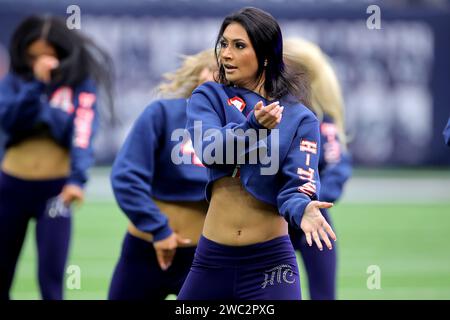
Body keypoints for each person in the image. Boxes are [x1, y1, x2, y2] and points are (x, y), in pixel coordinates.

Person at [177, 7, 336, 300]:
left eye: (239, 46)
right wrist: (253, 127)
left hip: (271, 265)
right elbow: (211, 151)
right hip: (212, 261)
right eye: (224, 44)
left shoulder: (301, 118)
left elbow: (296, 185)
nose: (226, 54)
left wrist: (303, 208)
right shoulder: (208, 96)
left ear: (265, 56)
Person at [0, 15, 113, 300]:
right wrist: (37, 87)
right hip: (10, 188)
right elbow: (8, 119)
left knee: (51, 281)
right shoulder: (16, 79)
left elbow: (82, 134)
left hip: (54, 193)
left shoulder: (79, 84)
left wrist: (77, 179)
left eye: (49, 55)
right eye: (34, 56)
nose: (43, 62)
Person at [108, 49, 216, 300]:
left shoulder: (244, 128)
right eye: (213, 69)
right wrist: (159, 230)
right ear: (199, 74)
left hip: (206, 258)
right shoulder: (162, 113)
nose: (218, 78)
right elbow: (126, 176)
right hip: (145, 249)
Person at [283, 37, 352, 300]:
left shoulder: (322, 118)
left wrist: (309, 203)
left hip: (314, 217)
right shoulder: (267, 111)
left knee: (324, 295)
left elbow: (337, 168)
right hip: (273, 219)